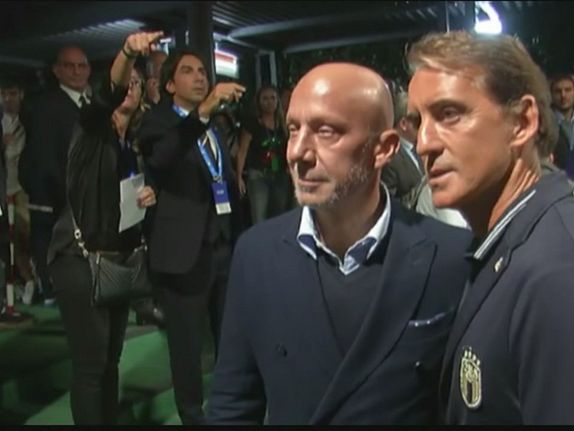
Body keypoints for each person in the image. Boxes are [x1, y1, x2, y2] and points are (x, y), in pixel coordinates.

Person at [406, 31, 574, 425]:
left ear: (522, 122)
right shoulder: (518, 246)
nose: (424, 143)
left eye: (449, 114)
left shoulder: (567, 277)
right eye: (417, 121)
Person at [206, 62, 472, 424]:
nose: (298, 152)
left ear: (384, 148)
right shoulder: (256, 254)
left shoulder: (452, 258)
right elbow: (232, 405)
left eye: (326, 131)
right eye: (293, 130)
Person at [46, 31, 161, 424]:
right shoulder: (92, 129)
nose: (130, 88)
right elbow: (106, 95)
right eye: (126, 82)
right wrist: (128, 52)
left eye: (137, 84)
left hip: (115, 260)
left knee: (111, 361)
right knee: (92, 365)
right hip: (78, 259)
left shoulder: (133, 145)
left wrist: (148, 195)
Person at [137, 50, 245, 425]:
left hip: (223, 248)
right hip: (183, 254)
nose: (200, 77)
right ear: (170, 85)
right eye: (188, 72)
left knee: (230, 337)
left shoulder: (214, 126)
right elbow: (162, 159)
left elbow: (223, 182)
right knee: (186, 347)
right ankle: (192, 416)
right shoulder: (158, 122)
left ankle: (231, 408)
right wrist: (200, 115)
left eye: (202, 71)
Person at [20, 45, 91, 306]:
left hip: (87, 201)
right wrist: (66, 195)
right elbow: (44, 157)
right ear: (57, 70)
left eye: (82, 66)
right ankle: (52, 292)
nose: (76, 71)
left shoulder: (91, 104)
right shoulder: (45, 106)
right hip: (56, 199)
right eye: (69, 66)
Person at [235, 85, 291, 224]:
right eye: (265, 98)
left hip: (280, 174)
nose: (269, 102)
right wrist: (239, 176)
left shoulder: (283, 123)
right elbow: (242, 151)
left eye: (272, 98)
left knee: (280, 215)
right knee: (259, 216)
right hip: (258, 175)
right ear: (258, 102)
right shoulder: (252, 123)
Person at [1, 79, 35, 304]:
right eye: (3, 94)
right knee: (7, 238)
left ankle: (34, 280)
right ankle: (19, 283)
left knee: (27, 236)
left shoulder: (30, 121)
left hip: (24, 190)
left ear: (21, 94)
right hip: (3, 191)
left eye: (12, 93)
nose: (7, 99)